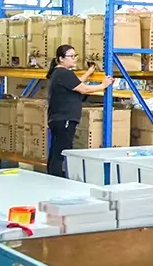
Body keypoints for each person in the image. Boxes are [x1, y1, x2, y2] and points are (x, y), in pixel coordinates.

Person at [46, 44, 113, 178]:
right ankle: (55, 179)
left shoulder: (59, 73)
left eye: (75, 55)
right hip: (65, 118)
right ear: (61, 59)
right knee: (61, 151)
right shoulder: (64, 73)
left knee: (56, 150)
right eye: (71, 56)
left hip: (59, 118)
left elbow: (76, 83)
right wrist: (103, 85)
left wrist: (88, 72)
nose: (75, 59)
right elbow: (83, 89)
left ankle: (52, 176)